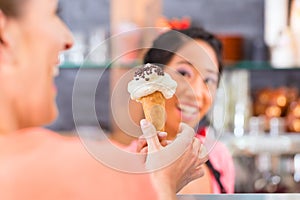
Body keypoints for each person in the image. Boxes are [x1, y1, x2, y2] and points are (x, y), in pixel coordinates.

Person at [0, 0, 207, 199]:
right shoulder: (72, 170)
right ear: (3, 35)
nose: (68, 38)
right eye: (55, 12)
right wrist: (163, 183)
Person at [111, 27, 235, 193]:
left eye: (209, 79)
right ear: (153, 77)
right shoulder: (123, 166)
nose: (197, 93)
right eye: (183, 73)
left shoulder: (219, 156)